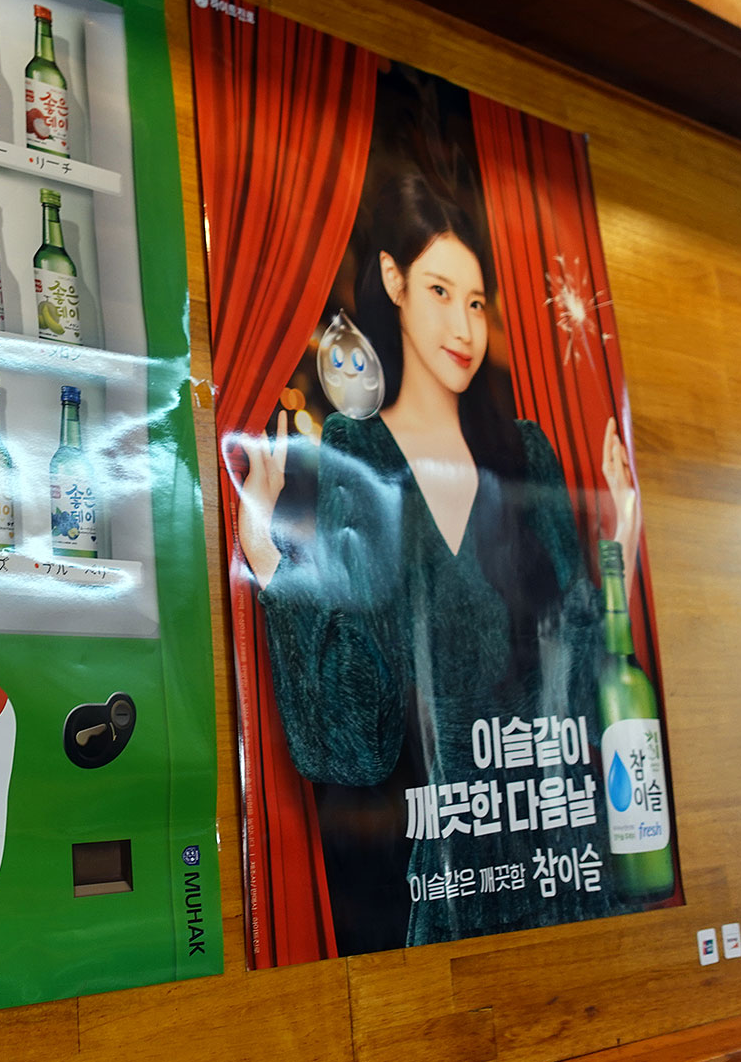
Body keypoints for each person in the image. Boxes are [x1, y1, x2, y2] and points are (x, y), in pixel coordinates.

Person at [235, 174, 642, 949]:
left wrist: (617, 542)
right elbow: (355, 744)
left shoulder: (526, 453)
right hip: (454, 890)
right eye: (440, 291)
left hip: (573, 868)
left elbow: (589, 704)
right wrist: (271, 564)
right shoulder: (356, 453)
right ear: (393, 281)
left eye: (477, 302)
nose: (464, 326)